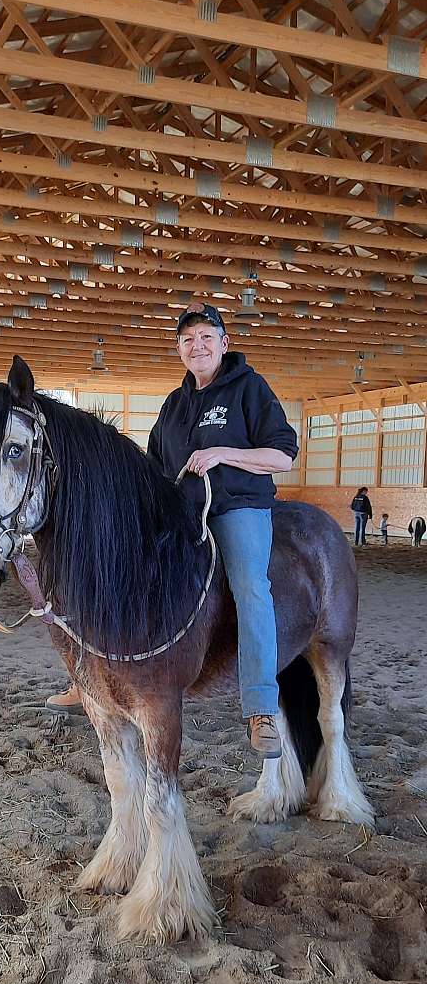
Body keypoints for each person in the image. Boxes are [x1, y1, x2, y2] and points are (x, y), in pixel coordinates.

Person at [146, 300, 298, 760]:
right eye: (188, 339)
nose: (198, 345)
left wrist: (224, 453)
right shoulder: (174, 405)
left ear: (223, 343)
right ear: (179, 350)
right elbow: (154, 469)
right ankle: (103, 674)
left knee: (252, 587)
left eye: (206, 337)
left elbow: (283, 456)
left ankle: (261, 708)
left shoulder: (249, 389)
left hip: (237, 508)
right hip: (184, 513)